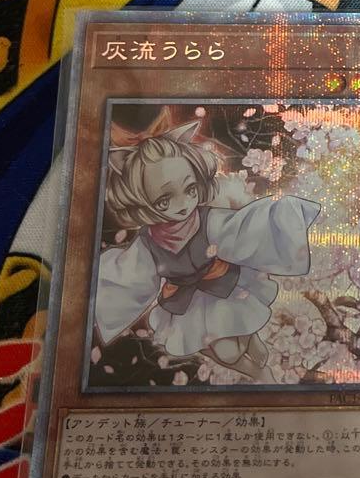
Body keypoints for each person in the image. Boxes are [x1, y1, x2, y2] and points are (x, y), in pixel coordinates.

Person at [96, 119, 319, 383]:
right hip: (185, 303)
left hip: (224, 286)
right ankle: (257, 371)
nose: (182, 205)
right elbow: (131, 277)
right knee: (222, 351)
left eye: (190, 189)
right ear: (141, 201)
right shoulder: (147, 243)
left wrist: (284, 216)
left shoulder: (207, 219)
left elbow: (242, 230)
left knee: (237, 334)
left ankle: (251, 341)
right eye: (164, 201)